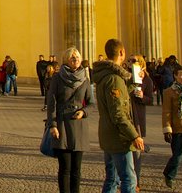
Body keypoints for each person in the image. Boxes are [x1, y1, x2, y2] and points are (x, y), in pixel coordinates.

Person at [94, 38, 144, 193]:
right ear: (121, 52)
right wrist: (134, 135)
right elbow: (118, 113)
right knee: (129, 179)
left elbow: (118, 98)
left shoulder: (106, 75)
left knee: (112, 179)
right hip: (119, 137)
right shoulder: (115, 79)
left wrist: (134, 82)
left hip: (108, 134)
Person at [46, 47, 92, 193]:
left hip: (79, 125)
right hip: (62, 125)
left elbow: (91, 103)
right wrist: (52, 124)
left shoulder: (85, 79)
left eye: (77, 57)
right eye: (73, 58)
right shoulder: (58, 78)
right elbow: (51, 103)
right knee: (65, 168)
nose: (76, 60)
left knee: (76, 170)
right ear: (66, 60)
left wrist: (83, 112)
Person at [129, 55, 153, 184]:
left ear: (141, 63)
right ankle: (125, 180)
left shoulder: (147, 80)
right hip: (125, 116)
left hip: (137, 117)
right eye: (129, 61)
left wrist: (143, 97)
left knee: (136, 153)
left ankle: (136, 181)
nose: (130, 63)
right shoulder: (126, 77)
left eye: (133, 61)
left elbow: (150, 100)